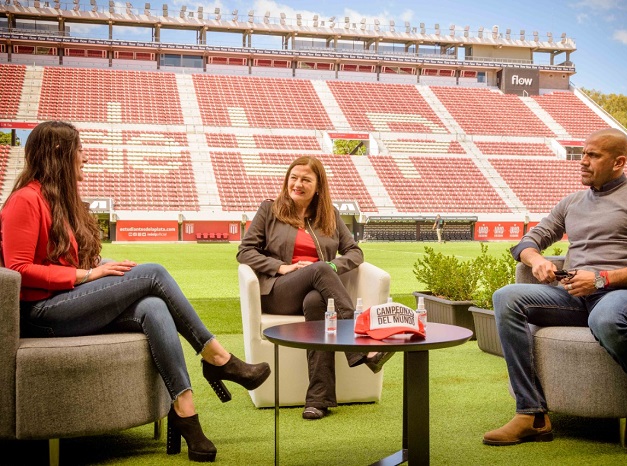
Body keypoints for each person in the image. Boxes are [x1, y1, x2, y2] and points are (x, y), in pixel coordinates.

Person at [0, 121, 271, 463]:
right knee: (154, 273)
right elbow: (18, 269)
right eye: (79, 150)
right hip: (42, 313)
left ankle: (185, 409)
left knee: (154, 306)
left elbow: (66, 257)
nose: (84, 157)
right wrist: (88, 274)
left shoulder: (59, 201)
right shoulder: (25, 200)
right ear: (59, 155)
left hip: (63, 303)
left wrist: (102, 267)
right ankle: (218, 358)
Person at [482, 128, 627, 456]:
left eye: (592, 155)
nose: (582, 162)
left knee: (606, 317)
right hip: (574, 296)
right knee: (506, 297)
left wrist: (600, 280)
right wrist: (536, 259)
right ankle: (532, 414)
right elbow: (528, 242)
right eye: (582, 154)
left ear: (618, 162)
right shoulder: (571, 202)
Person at [237, 155, 393, 420]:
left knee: (316, 302)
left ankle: (317, 400)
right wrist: (281, 267)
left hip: (314, 293)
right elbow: (245, 252)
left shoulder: (329, 216)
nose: (297, 184)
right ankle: (363, 342)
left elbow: (355, 253)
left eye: (306, 180)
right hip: (278, 292)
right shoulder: (269, 210)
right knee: (319, 268)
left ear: (318, 186)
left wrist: (334, 267)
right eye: (293, 178)